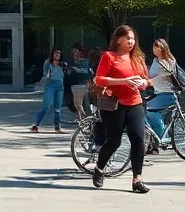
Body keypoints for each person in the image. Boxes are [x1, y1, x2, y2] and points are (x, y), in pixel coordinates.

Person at [92, 25, 151, 193]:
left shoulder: (138, 58)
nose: (131, 42)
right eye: (128, 38)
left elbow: (147, 81)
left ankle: (137, 179)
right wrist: (123, 81)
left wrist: (143, 83)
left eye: (133, 38)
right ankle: (99, 168)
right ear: (118, 40)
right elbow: (99, 80)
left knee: (138, 139)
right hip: (114, 105)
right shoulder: (109, 57)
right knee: (114, 141)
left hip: (135, 103)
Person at [146, 39, 178, 144]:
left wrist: (150, 82)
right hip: (157, 93)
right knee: (143, 109)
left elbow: (163, 75)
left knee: (149, 110)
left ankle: (161, 135)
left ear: (163, 48)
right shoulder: (155, 61)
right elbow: (150, 73)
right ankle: (154, 139)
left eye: (158, 46)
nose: (155, 49)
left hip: (167, 94)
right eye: (154, 46)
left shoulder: (168, 61)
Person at [30, 48, 67, 133]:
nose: (57, 55)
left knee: (58, 108)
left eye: (59, 53)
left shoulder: (63, 64)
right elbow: (44, 73)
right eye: (55, 53)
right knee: (46, 106)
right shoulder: (48, 63)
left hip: (60, 86)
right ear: (52, 54)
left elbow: (65, 75)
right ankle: (36, 125)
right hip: (50, 85)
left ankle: (57, 128)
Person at [66, 44, 93, 121]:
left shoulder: (84, 63)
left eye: (76, 51)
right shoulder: (73, 63)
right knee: (79, 104)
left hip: (80, 85)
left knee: (80, 104)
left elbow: (89, 73)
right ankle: (82, 119)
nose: (75, 53)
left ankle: (84, 118)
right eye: (74, 52)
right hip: (78, 85)